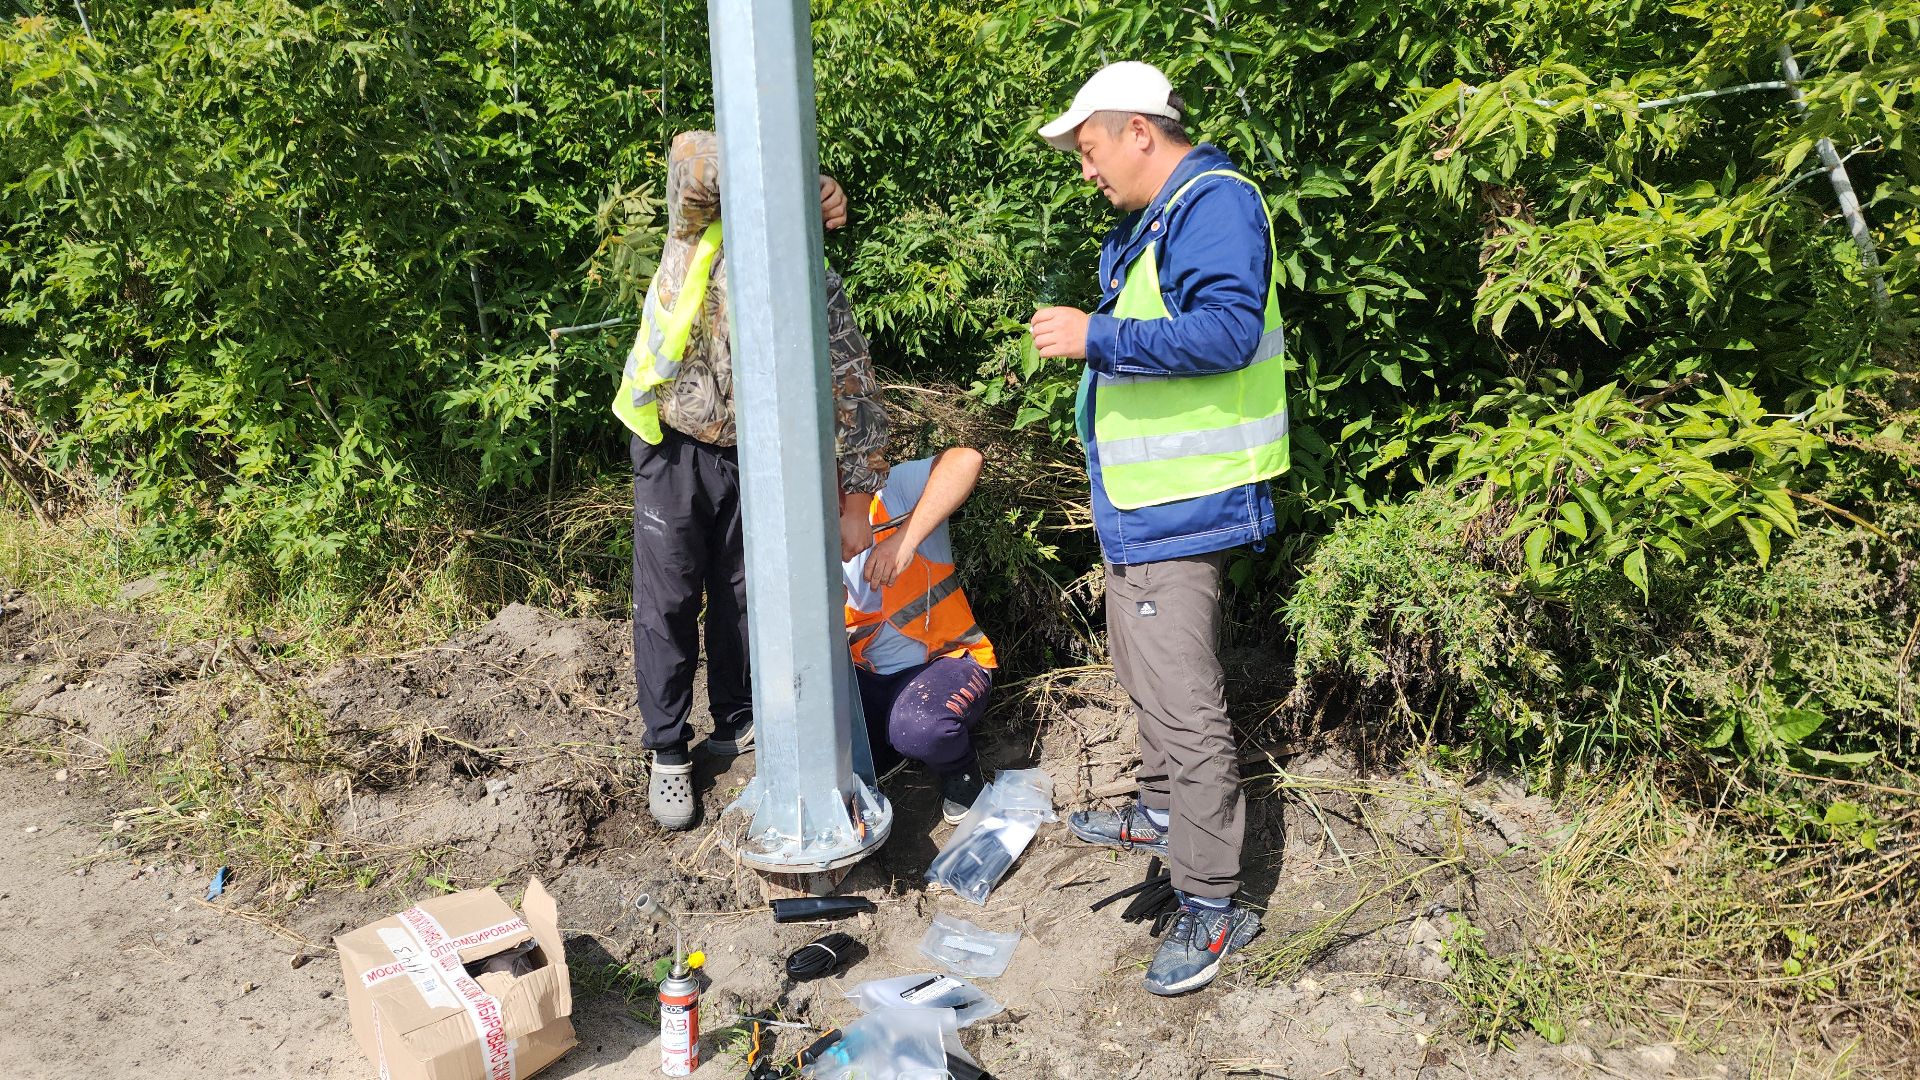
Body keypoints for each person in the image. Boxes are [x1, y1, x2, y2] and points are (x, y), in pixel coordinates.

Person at [1028, 61, 1290, 995]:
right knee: (1142, 670)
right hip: (1146, 504)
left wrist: (1095, 338)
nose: (1086, 169)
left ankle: (1212, 901)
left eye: (1090, 148)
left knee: (1185, 700)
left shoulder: (1214, 203)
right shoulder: (1161, 219)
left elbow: (1223, 332)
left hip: (1186, 506)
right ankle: (1159, 812)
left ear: (1140, 130)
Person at [613, 130, 891, 831]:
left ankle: (737, 719)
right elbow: (693, 155)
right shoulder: (697, 229)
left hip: (759, 455)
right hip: (673, 440)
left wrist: (856, 502)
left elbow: (856, 397)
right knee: (670, 598)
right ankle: (669, 749)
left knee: (746, 596)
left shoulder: (814, 283)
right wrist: (807, 174)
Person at [842, 447, 996, 825]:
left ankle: (960, 770)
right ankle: (888, 752)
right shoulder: (802, 528)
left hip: (948, 662)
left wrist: (902, 541)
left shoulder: (892, 490)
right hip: (865, 675)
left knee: (922, 728)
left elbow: (965, 461)